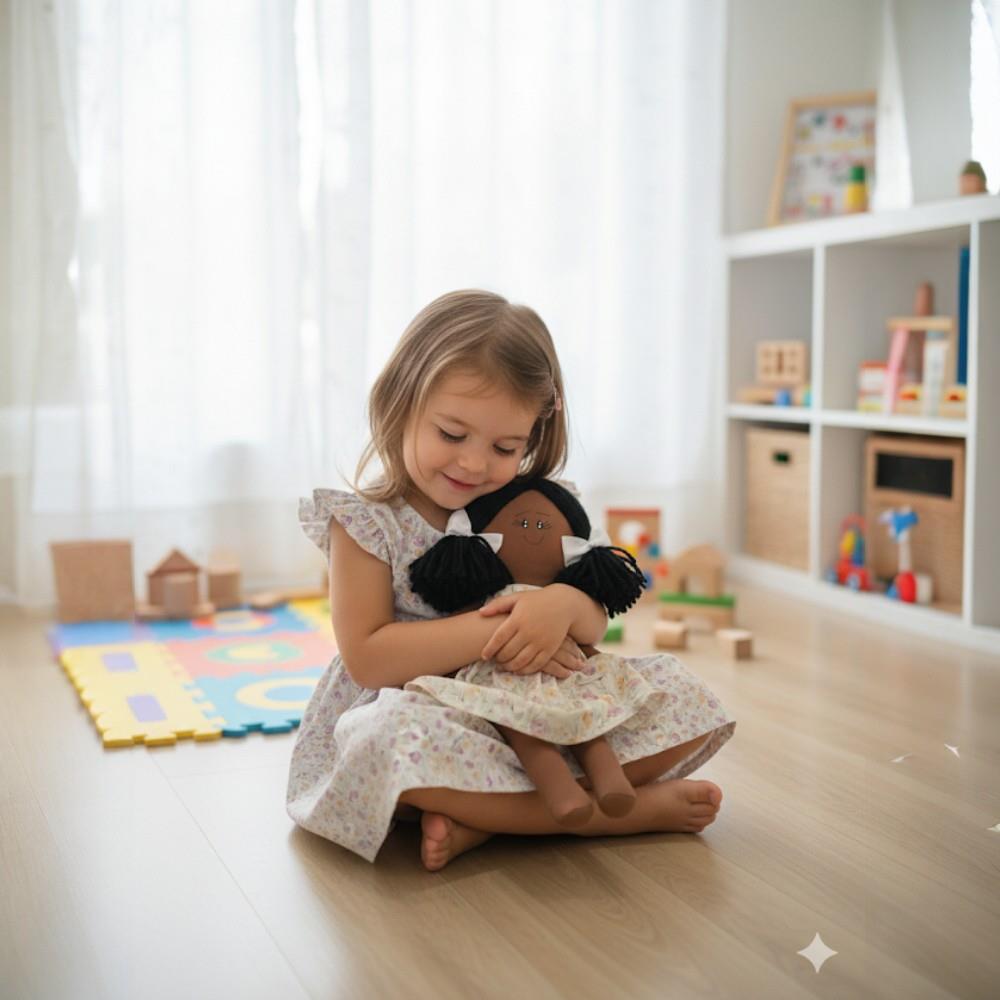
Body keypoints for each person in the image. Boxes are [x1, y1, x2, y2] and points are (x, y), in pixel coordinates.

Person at [287, 289, 736, 871]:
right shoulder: (367, 524)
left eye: (505, 447)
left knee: (683, 694)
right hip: (429, 719)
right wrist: (501, 630)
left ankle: (491, 821)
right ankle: (600, 819)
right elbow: (369, 658)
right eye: (451, 434)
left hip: (542, 716)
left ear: (533, 436)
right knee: (383, 740)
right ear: (400, 403)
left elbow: (594, 626)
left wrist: (562, 605)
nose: (474, 464)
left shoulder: (534, 507)